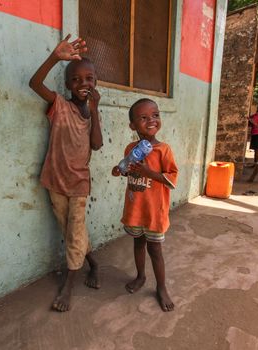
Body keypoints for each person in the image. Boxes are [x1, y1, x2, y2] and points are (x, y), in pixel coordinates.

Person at [29, 35, 103, 312]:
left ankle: (69, 286)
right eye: (76, 79)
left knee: (74, 232)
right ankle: (94, 264)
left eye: (90, 79)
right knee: (71, 230)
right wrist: (54, 58)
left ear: (95, 83)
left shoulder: (91, 111)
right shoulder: (59, 105)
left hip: (79, 183)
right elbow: (34, 84)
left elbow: (96, 143)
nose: (84, 84)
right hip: (54, 179)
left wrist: (95, 110)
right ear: (67, 84)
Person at [111, 98, 178, 312]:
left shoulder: (163, 150)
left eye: (155, 115)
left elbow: (171, 178)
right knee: (138, 244)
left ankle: (161, 287)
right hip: (136, 209)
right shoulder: (131, 148)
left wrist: (149, 172)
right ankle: (140, 276)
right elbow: (130, 173)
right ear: (132, 126)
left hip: (154, 212)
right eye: (143, 117)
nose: (151, 120)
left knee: (155, 250)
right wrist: (120, 170)